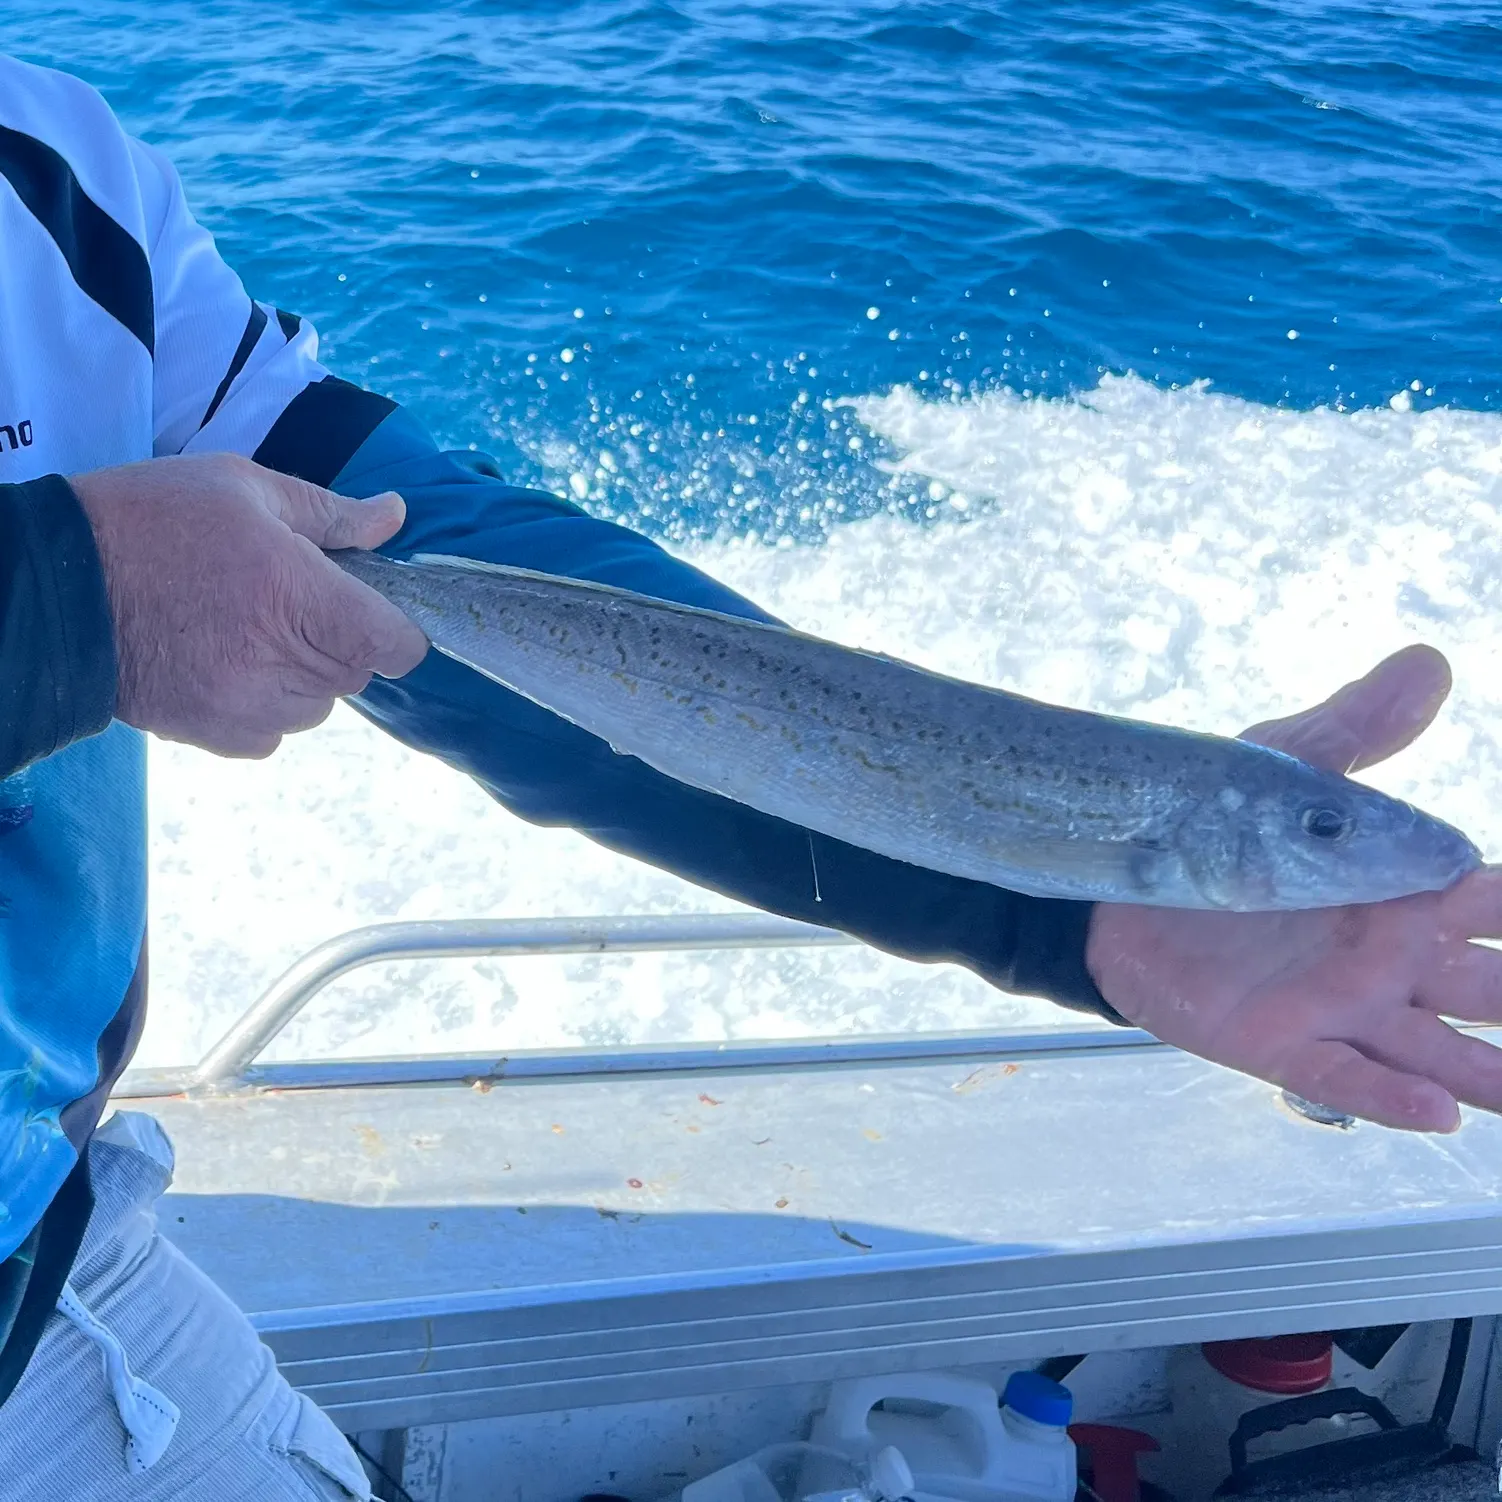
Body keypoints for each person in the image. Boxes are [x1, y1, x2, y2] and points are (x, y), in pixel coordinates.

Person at [1, 50, 1500, 1501]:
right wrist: (64, 608)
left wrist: (1062, 896)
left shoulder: (61, 184)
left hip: (43, 1254)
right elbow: (110, 588)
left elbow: (427, 560)